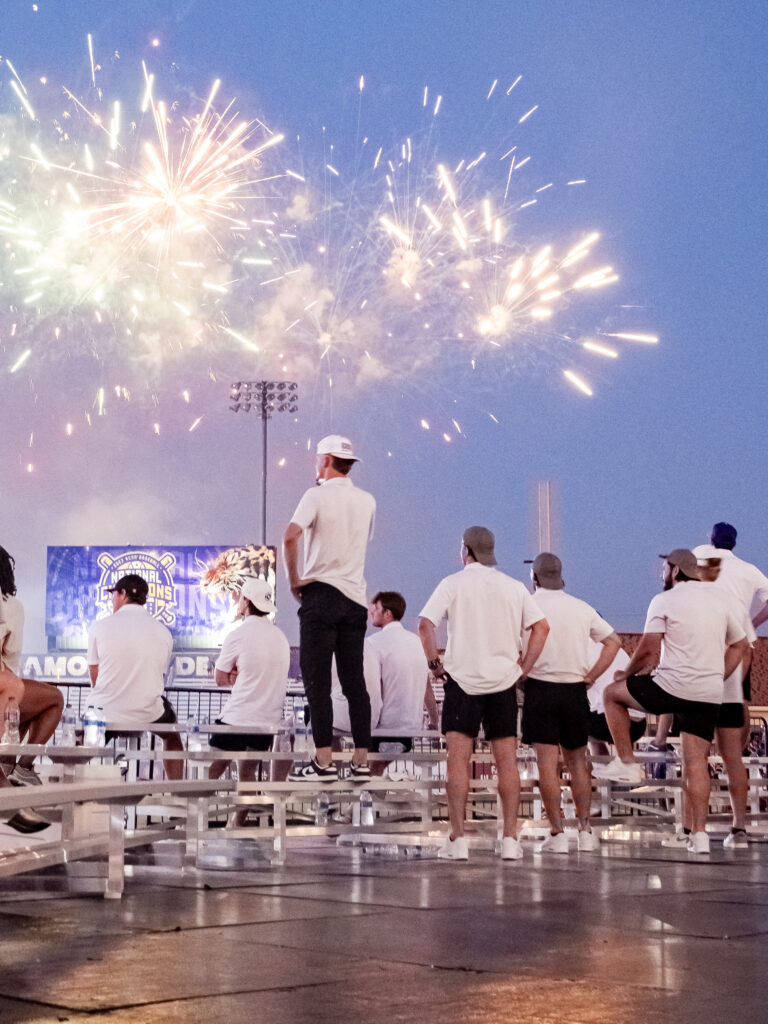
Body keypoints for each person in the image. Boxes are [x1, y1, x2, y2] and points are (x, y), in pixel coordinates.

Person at [598, 549, 748, 855]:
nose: (662, 573)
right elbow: (740, 645)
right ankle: (700, 836)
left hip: (672, 686)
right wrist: (718, 674)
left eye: (665, 568)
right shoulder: (721, 600)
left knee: (612, 694)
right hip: (707, 693)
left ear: (676, 570)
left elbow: (648, 649)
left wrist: (625, 674)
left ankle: (627, 762)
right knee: (696, 763)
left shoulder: (664, 600)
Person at [418, 526, 550, 861]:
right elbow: (541, 628)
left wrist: (435, 664)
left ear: (466, 550)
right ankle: (510, 840)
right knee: (507, 762)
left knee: (457, 761)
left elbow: (425, 625)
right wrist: (524, 669)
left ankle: (458, 839)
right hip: (503, 682)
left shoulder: (452, 583)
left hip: (462, 681)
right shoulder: (513, 587)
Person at [283, 435, 376, 783]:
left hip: (321, 593)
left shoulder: (316, 495)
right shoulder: (367, 500)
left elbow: (290, 535)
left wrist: (295, 580)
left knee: (317, 680)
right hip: (355, 599)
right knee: (354, 683)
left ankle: (323, 761)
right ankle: (361, 760)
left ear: (325, 460)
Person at [522, 553, 622, 853]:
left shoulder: (526, 606)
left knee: (547, 765)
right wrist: (592, 676)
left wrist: (521, 672)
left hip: (540, 687)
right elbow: (614, 642)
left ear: (534, 577)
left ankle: (557, 833)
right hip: (575, 689)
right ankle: (585, 830)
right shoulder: (582, 607)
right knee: (579, 763)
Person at [661, 551, 753, 849]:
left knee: (693, 762)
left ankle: (691, 830)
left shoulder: (682, 602)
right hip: (728, 694)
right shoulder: (733, 603)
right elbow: (746, 649)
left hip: (697, 692)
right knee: (733, 760)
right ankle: (739, 828)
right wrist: (731, 683)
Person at [207, 577, 290, 826]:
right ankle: (235, 825)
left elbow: (220, 678)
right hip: (267, 721)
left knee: (211, 771)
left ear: (246, 602)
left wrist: (236, 676)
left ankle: (192, 821)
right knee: (248, 773)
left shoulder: (239, 634)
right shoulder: (280, 637)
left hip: (237, 717)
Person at [87, 574, 184, 780]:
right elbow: (158, 673)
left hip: (105, 710)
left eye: (114, 594)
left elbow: (94, 674)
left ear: (122, 594)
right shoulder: (163, 632)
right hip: (146, 712)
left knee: (84, 743)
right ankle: (176, 789)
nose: (112, 599)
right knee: (172, 736)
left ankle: (77, 786)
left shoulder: (99, 626)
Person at [0, 547, 53, 832]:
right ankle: (21, 768)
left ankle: (8, 776)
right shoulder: (11, 605)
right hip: (5, 683)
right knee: (53, 698)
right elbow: (12, 652)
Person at [367, 591, 436, 769]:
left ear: (387, 613)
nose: (372, 612)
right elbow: (427, 686)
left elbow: (372, 687)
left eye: (376, 608)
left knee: (374, 772)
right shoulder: (416, 642)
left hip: (384, 725)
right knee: (390, 771)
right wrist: (434, 721)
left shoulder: (374, 643)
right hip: (411, 725)